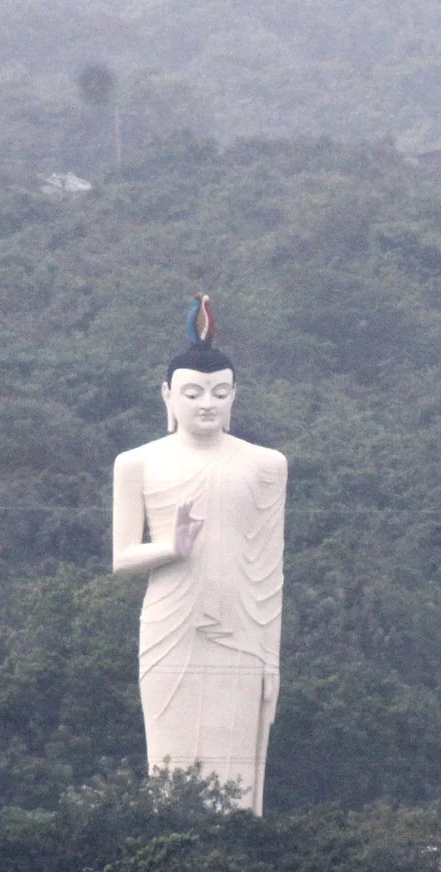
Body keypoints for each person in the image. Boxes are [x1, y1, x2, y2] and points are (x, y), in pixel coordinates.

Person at [109, 296, 286, 813]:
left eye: (218, 392)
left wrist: (271, 660)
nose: (206, 403)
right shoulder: (136, 463)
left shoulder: (266, 465)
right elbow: (121, 558)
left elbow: (270, 571)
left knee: (233, 783)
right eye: (192, 392)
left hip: (242, 629)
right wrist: (171, 547)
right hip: (171, 625)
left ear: (234, 398)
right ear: (167, 396)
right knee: (172, 771)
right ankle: (172, 859)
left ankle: (235, 863)